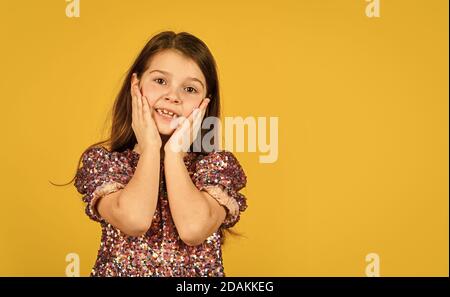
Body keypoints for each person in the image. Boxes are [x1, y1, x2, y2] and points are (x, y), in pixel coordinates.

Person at [73, 31, 248, 276]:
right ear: (136, 85)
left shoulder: (217, 168)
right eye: (160, 81)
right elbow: (135, 220)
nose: (173, 96)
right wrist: (151, 148)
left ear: (204, 104)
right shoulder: (104, 163)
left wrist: (174, 153)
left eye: (189, 89)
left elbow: (193, 229)